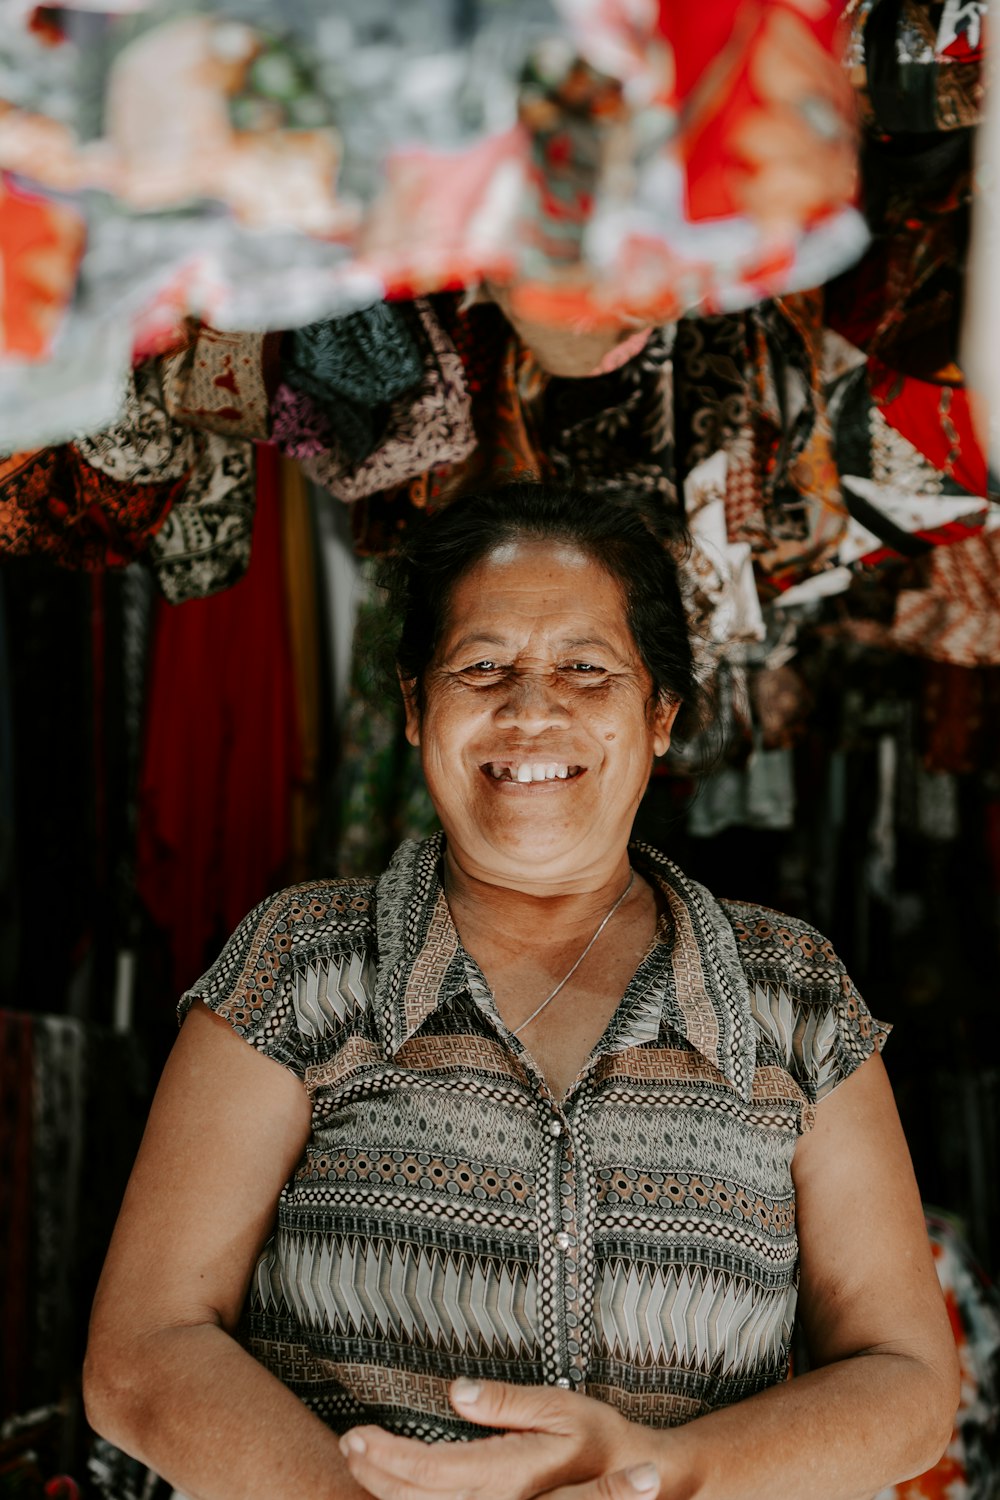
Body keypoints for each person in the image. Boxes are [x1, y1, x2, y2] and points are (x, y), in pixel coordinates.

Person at [84, 481, 959, 1500]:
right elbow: (143, 1353)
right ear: (415, 708)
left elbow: (905, 1386)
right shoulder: (300, 963)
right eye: (482, 666)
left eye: (586, 670)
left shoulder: (792, 994)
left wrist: (663, 1471)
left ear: (661, 714)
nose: (530, 709)